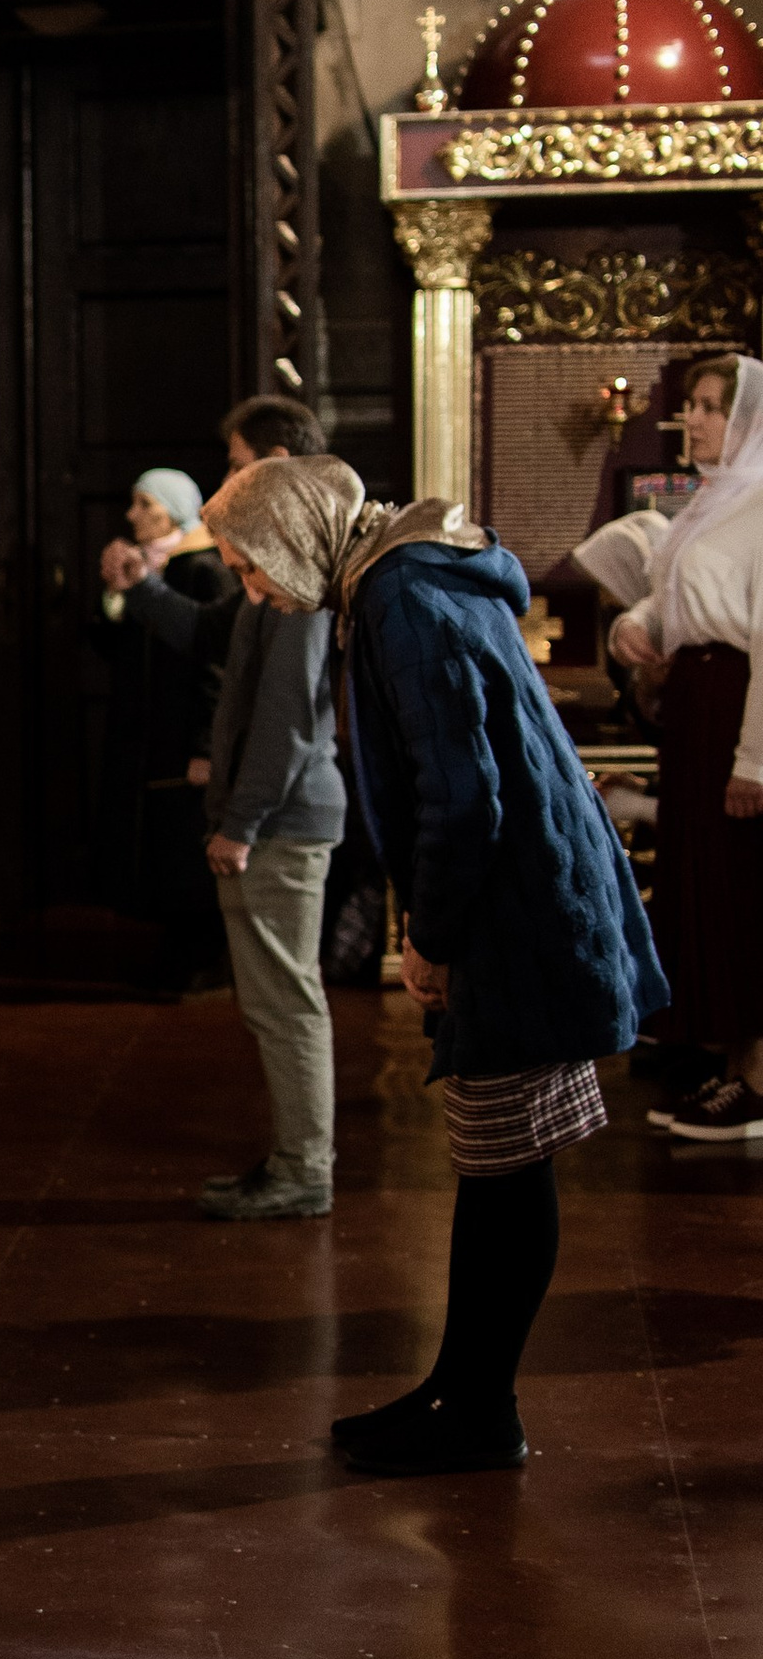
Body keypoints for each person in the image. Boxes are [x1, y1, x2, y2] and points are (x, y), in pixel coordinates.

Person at [206, 452, 663, 1479]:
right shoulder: (399, 579)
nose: (258, 592)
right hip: (520, 893)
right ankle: (459, 1388)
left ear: (291, 535)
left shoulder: (402, 594)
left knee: (508, 1161)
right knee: (498, 1161)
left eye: (250, 567)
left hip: (516, 905)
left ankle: (479, 1409)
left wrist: (432, 935)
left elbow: (465, 795)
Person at [106, 413, 344, 1218]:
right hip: (271, 814)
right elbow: (213, 640)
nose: (226, 481)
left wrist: (241, 819)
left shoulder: (300, 579)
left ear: (278, 467)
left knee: (285, 1002)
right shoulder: (269, 578)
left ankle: (304, 1169)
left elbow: (287, 720)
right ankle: (291, 1159)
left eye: (239, 464)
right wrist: (141, 590)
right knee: (272, 1002)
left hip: (284, 818)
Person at [608, 352, 763, 1143]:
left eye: (712, 407)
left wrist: (755, 759)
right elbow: (669, 594)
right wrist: (633, 625)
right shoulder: (713, 501)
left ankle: (754, 1073)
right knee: (702, 882)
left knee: (742, 888)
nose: (695, 419)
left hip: (738, 705)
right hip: (697, 703)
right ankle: (717, 1055)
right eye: (694, 405)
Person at [94, 468, 235, 985]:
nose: (133, 516)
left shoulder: (202, 569)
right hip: (148, 730)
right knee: (159, 842)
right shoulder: (149, 567)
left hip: (184, 731)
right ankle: (174, 945)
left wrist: (205, 744)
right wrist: (116, 596)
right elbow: (114, 650)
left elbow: (215, 665)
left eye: (145, 505)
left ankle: (202, 954)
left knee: (185, 843)